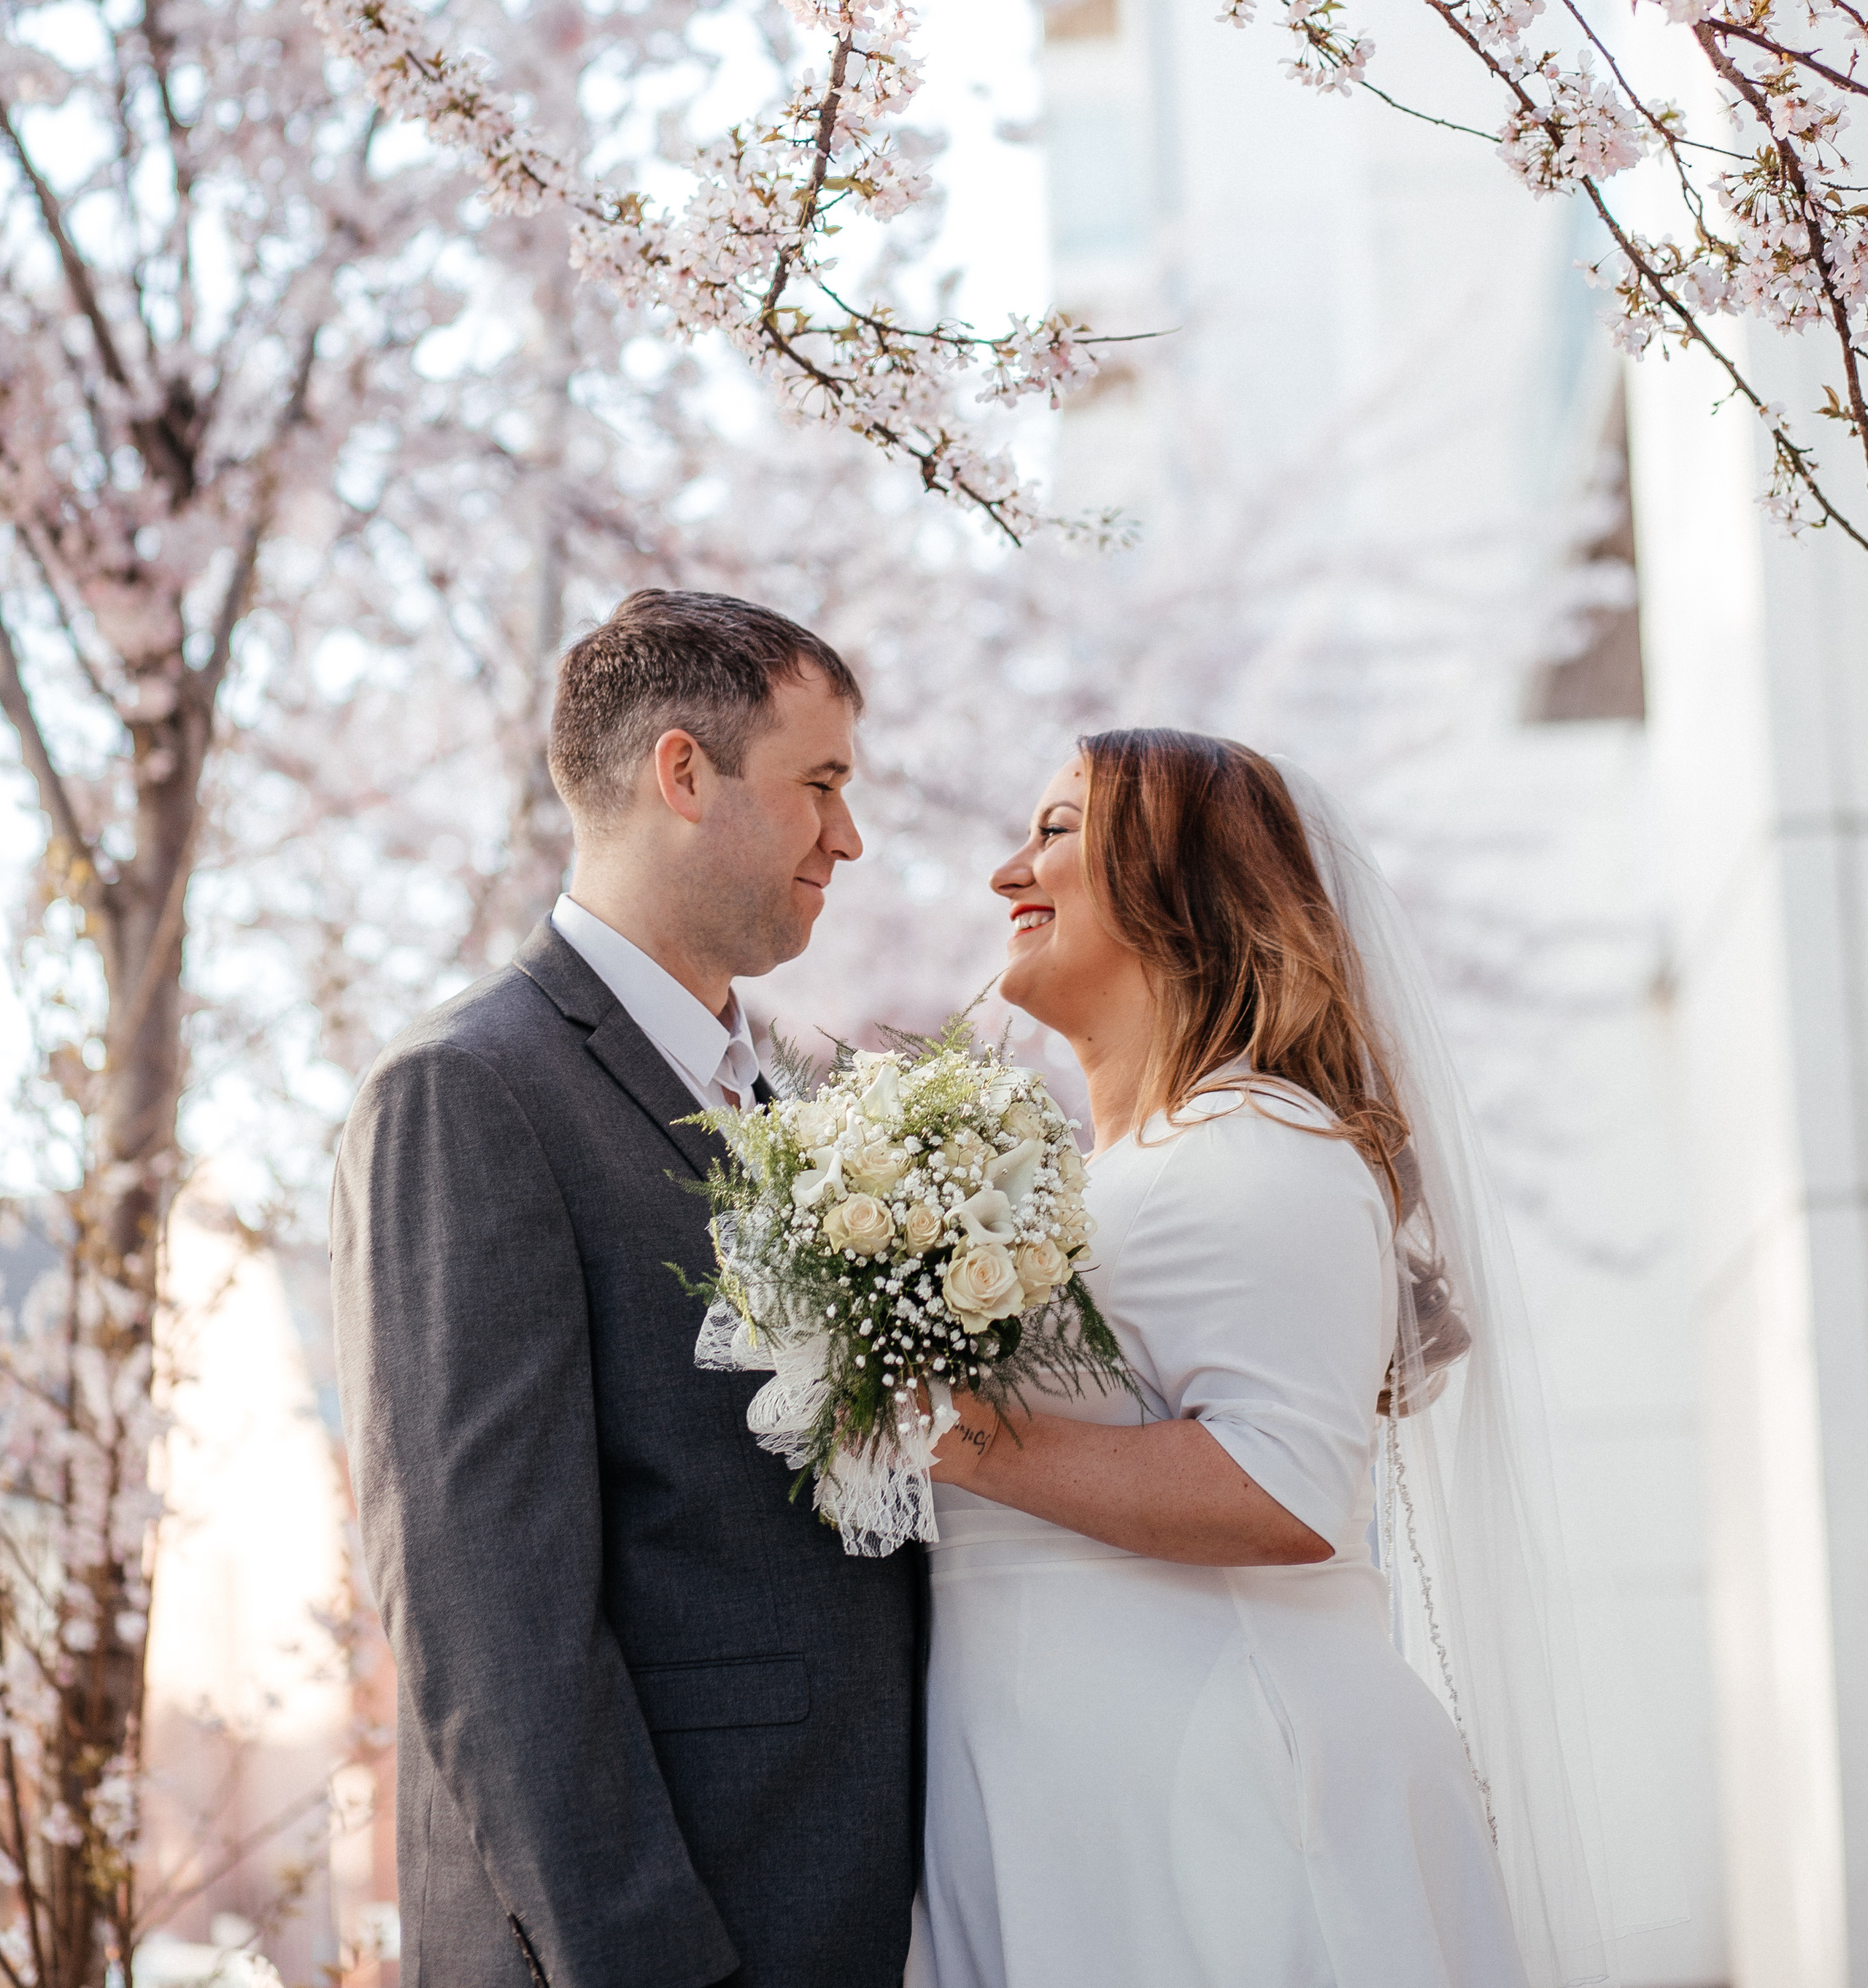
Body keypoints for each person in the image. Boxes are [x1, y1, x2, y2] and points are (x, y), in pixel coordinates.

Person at [908, 728, 1602, 1988]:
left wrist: (943, 1433)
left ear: (1181, 884)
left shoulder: (1259, 1146)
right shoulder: (1127, 1167)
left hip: (1217, 1803)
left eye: (1056, 831)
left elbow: (1277, 1488)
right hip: (1070, 1793)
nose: (1008, 871)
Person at [330, 589, 922, 1988]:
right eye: (820, 785)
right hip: (663, 1933)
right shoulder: (468, 1093)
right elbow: (486, 1614)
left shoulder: (794, 1094)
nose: (850, 837)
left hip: (845, 1902)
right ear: (681, 773)